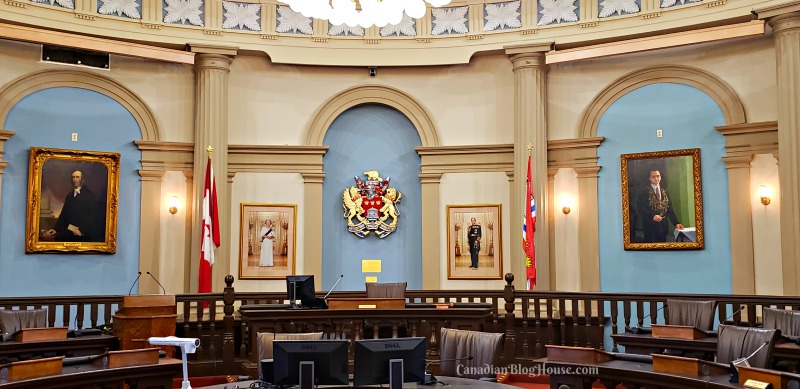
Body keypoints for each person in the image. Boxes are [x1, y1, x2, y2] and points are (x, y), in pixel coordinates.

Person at [46, 170, 101, 242]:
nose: (75, 179)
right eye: (73, 177)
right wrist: (55, 229)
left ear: (83, 179)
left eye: (77, 177)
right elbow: (64, 215)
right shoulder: (69, 196)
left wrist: (82, 231)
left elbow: (94, 217)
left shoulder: (90, 196)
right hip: (69, 232)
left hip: (83, 235)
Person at [637, 169, 684, 243]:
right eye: (653, 177)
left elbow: (670, 209)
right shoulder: (644, 192)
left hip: (663, 226)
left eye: (658, 176)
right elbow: (640, 209)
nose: (656, 178)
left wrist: (676, 223)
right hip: (650, 226)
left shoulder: (664, 191)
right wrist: (652, 216)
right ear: (649, 179)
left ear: (660, 177)